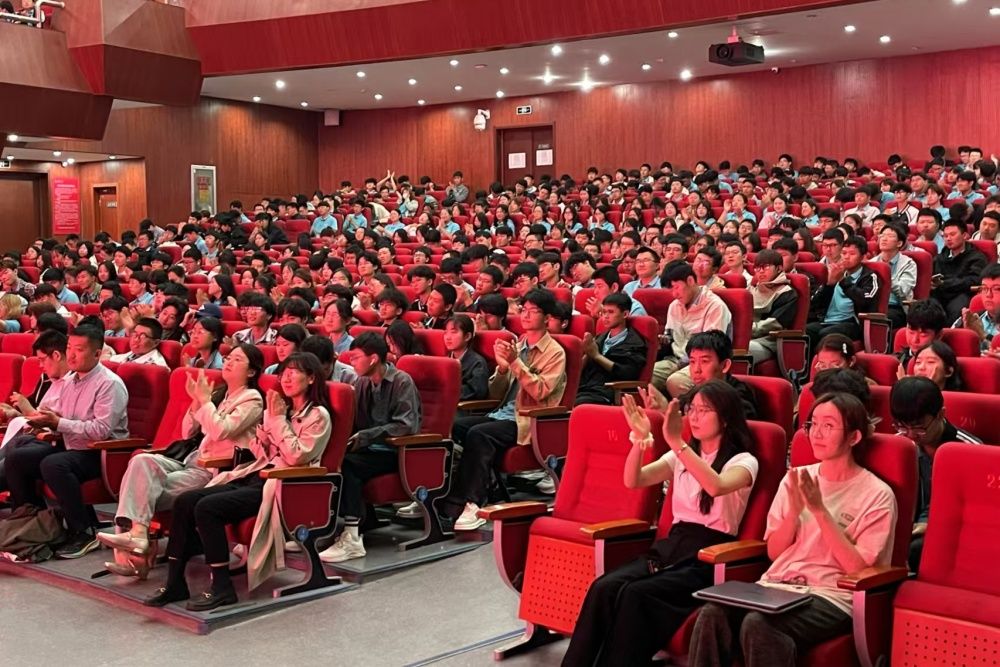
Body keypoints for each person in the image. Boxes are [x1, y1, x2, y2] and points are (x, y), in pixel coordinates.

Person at [689, 392, 898, 667]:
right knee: (711, 614)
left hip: (831, 595)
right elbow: (774, 553)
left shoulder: (877, 494)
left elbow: (858, 570)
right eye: (813, 424)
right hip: (777, 585)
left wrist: (819, 511)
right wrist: (793, 513)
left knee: (759, 624)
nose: (817, 433)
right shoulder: (795, 478)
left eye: (829, 425)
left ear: (854, 437)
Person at [563, 381, 759, 666]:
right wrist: (639, 439)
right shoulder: (682, 454)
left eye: (704, 410)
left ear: (726, 418)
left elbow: (716, 486)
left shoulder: (743, 461)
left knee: (635, 594)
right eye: (692, 409)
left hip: (709, 558)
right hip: (672, 547)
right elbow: (634, 480)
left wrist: (678, 443)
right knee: (603, 587)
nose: (694, 417)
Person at [144, 352, 331, 610]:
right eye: (283, 373)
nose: (286, 378)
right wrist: (263, 431)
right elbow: (264, 452)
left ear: (311, 378)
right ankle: (175, 582)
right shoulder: (282, 409)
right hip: (255, 473)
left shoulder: (318, 415)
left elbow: (297, 456)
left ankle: (222, 587)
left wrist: (276, 421)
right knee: (185, 501)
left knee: (207, 508)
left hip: (282, 485)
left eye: (294, 373)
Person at [97, 345, 264, 578]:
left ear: (251, 371)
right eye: (228, 357)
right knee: (142, 461)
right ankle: (138, 536)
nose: (228, 362)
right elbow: (187, 432)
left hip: (213, 470)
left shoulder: (253, 400)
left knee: (140, 492)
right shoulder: (220, 394)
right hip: (189, 460)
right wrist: (197, 401)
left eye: (237, 359)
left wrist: (204, 401)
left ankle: (135, 556)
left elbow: (221, 430)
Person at [443, 289, 567, 531]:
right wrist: (501, 370)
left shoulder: (555, 353)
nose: (526, 315)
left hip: (528, 420)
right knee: (455, 426)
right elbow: (495, 395)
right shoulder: (517, 345)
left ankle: (471, 502)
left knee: (479, 434)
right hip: (502, 413)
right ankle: (453, 492)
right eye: (524, 310)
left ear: (547, 317)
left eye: (533, 311)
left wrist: (514, 363)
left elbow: (541, 391)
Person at [3, 326, 129, 558]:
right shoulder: (70, 381)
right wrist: (42, 420)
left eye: (79, 350)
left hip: (102, 454)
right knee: (17, 459)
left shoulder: (109, 384)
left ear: (97, 353)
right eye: (69, 348)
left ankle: (83, 532)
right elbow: (59, 417)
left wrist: (58, 423)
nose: (71, 354)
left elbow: (101, 431)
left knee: (54, 464)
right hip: (70, 444)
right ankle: (34, 520)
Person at [319, 333, 421, 563]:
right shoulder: (362, 382)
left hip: (396, 452)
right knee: (329, 458)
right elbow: (353, 420)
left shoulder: (402, 381)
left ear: (373, 358)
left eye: (356, 357)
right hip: (369, 449)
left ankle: (352, 536)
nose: (351, 362)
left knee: (347, 465)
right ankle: (331, 525)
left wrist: (367, 436)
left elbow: (406, 426)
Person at [889, 377, 981, 571]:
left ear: (941, 414)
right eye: (902, 426)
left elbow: (976, 512)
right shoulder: (899, 445)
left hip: (948, 533)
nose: (910, 435)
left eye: (919, 428)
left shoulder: (971, 450)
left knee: (915, 550)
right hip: (903, 526)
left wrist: (931, 525)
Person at [652, 263, 732, 397]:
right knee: (646, 376)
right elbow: (670, 336)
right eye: (671, 290)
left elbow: (712, 347)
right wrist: (662, 341)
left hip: (702, 363)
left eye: (676, 287)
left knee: (676, 382)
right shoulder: (674, 306)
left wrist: (686, 362)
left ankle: (693, 409)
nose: (674, 294)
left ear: (690, 280)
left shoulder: (715, 306)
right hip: (675, 359)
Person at [806, 236, 879, 350]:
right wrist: (829, 285)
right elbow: (814, 303)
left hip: (851, 323)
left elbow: (866, 300)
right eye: (844, 253)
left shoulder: (869, 276)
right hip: (827, 320)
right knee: (806, 332)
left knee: (825, 334)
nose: (846, 257)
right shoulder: (836, 273)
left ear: (862, 257)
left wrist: (842, 281)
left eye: (852, 254)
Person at [575, 293, 648, 406]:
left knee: (579, 404)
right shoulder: (599, 338)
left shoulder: (634, 343)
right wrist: (587, 353)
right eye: (604, 312)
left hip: (607, 392)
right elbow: (580, 369)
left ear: (625, 314)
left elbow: (628, 373)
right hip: (585, 387)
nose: (605, 316)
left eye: (611, 312)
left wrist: (596, 356)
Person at [748, 249, 799, 366]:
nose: (761, 271)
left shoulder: (787, 292)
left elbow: (775, 324)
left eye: (766, 267)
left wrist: (746, 331)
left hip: (768, 342)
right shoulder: (750, 290)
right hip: (746, 337)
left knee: (736, 351)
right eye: (757, 268)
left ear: (779, 268)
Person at [931, 218, 988, 322]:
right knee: (927, 309)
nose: (948, 238)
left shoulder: (976, 257)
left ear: (965, 235)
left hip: (963, 293)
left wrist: (945, 283)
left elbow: (974, 279)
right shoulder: (939, 257)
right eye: (945, 236)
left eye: (952, 235)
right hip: (941, 293)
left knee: (957, 310)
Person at [875, 223, 917, 330]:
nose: (884, 239)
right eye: (882, 235)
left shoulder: (908, 264)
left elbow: (903, 290)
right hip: (873, 305)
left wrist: (885, 276)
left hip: (895, 307)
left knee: (882, 319)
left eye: (890, 236)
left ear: (899, 243)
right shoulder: (872, 263)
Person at [956, 263, 1000, 353]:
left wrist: (983, 335)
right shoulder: (970, 319)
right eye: (984, 288)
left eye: (996, 289)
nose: (988, 295)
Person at [898, 300, 947, 371]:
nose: (915, 340)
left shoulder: (943, 368)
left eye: (923, 335)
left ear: (939, 336)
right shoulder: (896, 361)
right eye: (911, 332)